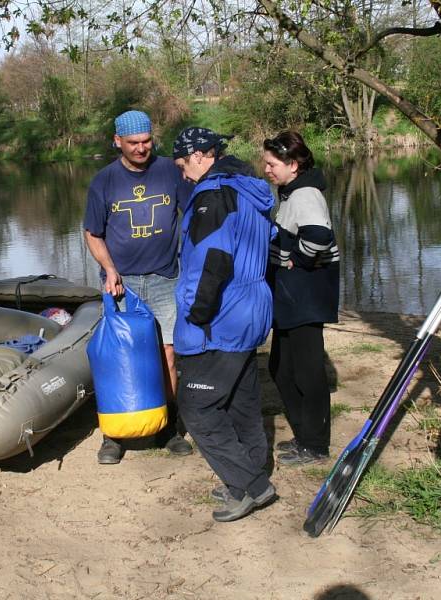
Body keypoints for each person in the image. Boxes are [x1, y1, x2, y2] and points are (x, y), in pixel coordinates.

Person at [172, 127, 276, 522]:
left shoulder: (211, 197)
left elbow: (210, 261)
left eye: (183, 164)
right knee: (241, 400)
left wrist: (197, 317)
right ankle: (245, 477)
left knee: (196, 406)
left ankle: (252, 485)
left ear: (199, 155)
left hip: (220, 316)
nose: (183, 174)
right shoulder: (251, 190)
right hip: (251, 306)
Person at [83, 110, 194, 464]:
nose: (142, 148)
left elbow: (191, 215)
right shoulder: (104, 181)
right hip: (122, 284)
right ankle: (113, 435)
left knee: (167, 354)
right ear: (117, 141)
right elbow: (92, 232)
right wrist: (109, 269)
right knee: (118, 356)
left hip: (165, 277)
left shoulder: (169, 172)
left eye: (147, 141)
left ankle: (166, 425)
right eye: (134, 143)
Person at [262, 131, 340, 465]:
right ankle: (305, 436)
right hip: (293, 295)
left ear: (293, 165)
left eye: (272, 163)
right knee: (281, 367)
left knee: (307, 372)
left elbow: (319, 235)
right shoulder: (293, 191)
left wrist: (299, 261)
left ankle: (316, 445)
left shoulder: (306, 193)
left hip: (306, 293)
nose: (267, 169)